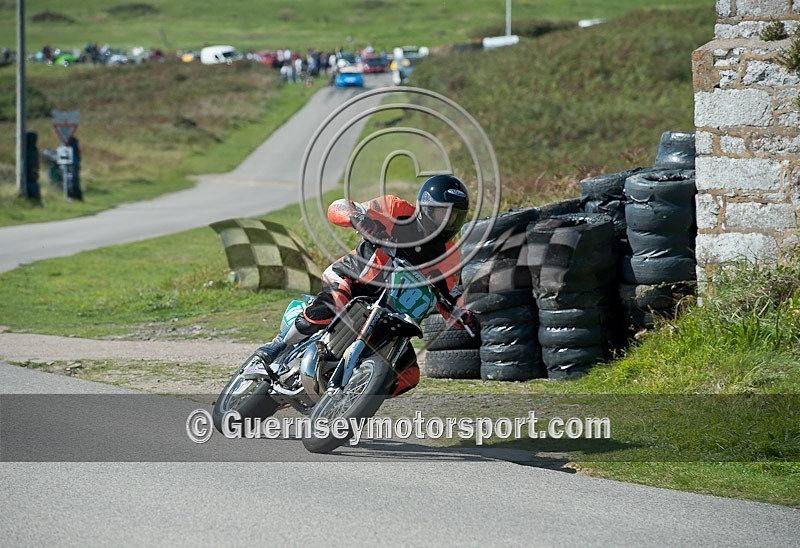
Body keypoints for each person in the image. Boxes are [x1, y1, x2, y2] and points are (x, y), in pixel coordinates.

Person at [245, 175, 477, 394]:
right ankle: (277, 346)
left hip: (393, 312)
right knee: (335, 302)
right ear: (425, 207)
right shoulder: (394, 209)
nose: (447, 221)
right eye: (441, 213)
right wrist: (356, 218)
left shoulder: (450, 257)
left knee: (409, 375)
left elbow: (448, 297)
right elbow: (339, 206)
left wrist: (462, 315)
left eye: (454, 216)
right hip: (353, 279)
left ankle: (353, 393)